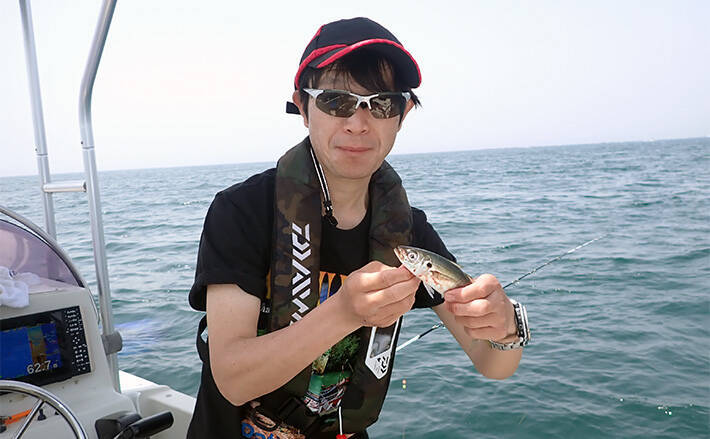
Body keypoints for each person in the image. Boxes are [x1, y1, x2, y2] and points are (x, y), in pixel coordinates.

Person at [187, 17, 529, 439]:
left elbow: (493, 364)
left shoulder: (409, 232)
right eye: (336, 101)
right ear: (303, 107)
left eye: (382, 104)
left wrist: (505, 327)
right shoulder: (241, 212)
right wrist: (343, 312)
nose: (358, 123)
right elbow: (232, 379)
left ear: (402, 115)